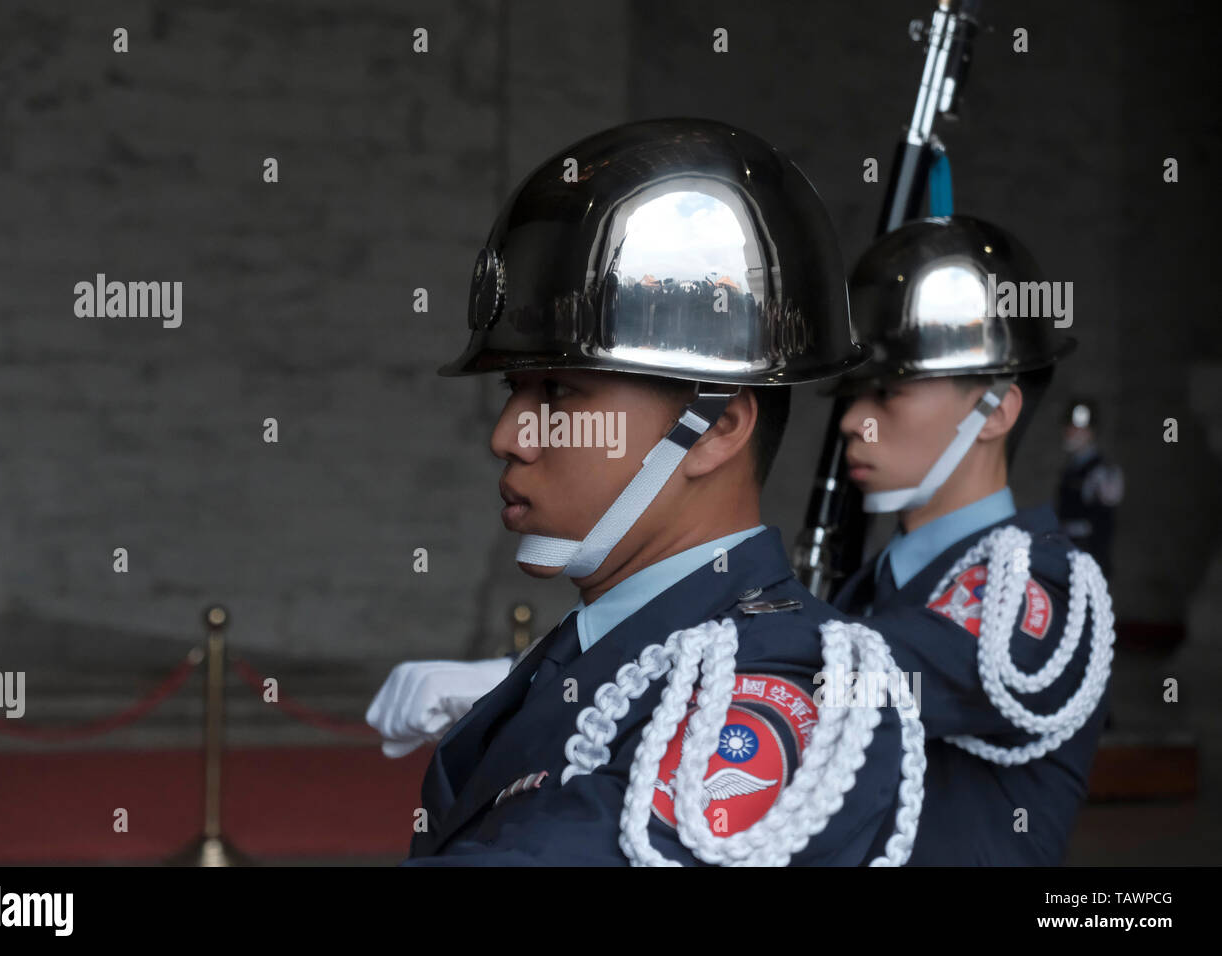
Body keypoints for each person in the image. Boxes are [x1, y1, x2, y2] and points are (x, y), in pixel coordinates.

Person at [391, 117, 924, 866]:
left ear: (715, 429)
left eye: (560, 392)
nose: (509, 434)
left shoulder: (775, 689)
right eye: (516, 388)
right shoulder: (589, 651)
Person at [830, 215, 1115, 865]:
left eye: (885, 392)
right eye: (850, 395)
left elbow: (869, 677)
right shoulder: (866, 585)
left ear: (996, 410)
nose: (851, 421)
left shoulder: (1046, 588)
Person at [1056, 399, 1124, 577]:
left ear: (1091, 432)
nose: (1070, 433)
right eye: (1069, 427)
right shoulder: (1071, 469)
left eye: (1077, 429)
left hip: (1089, 558)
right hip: (1069, 554)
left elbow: (1106, 510)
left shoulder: (1103, 471)